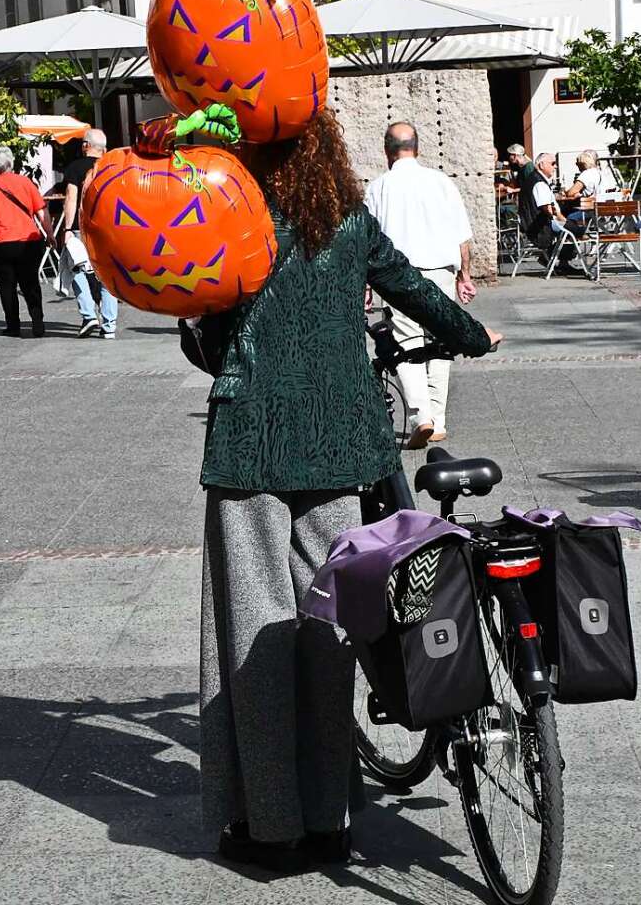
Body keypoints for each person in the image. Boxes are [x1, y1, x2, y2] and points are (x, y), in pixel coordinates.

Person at [199, 108, 502, 873]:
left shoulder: (236, 221)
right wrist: (472, 335)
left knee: (253, 629)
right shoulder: (349, 220)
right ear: (328, 154)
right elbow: (413, 291)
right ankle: (330, 819)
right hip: (340, 442)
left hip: (250, 446)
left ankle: (270, 829)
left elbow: (204, 336)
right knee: (328, 628)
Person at [364, 121, 477, 448]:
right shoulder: (441, 182)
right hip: (441, 270)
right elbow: (462, 236)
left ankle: (420, 416)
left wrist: (366, 283)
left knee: (406, 342)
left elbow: (368, 242)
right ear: (418, 147)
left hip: (398, 274)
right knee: (441, 341)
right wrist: (464, 276)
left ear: (387, 151)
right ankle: (438, 420)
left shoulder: (378, 187)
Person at [0, 147, 48, 337]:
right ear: (11, 163)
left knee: (7, 286)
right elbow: (41, 211)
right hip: (28, 241)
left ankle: (13, 326)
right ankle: (37, 322)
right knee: (30, 282)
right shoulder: (26, 182)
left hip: (2, 243)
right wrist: (51, 234)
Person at [61, 129, 119, 339]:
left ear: (86, 145)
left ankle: (88, 314)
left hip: (82, 226)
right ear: (103, 148)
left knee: (76, 267)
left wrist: (67, 229)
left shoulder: (75, 168)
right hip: (108, 228)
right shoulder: (112, 168)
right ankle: (109, 324)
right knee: (106, 273)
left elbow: (71, 197)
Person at [518, 152, 584, 275]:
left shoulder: (534, 179)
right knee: (577, 229)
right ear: (542, 165)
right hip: (539, 226)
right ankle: (556, 259)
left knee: (572, 225)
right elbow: (547, 208)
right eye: (553, 163)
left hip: (534, 223)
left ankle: (557, 260)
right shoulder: (539, 182)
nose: (555, 167)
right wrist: (561, 219)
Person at [562, 149, 603, 224]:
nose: (577, 166)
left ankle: (574, 234)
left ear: (583, 164)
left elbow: (570, 193)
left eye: (578, 164)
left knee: (564, 213)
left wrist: (573, 193)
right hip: (601, 209)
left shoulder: (586, 174)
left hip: (589, 210)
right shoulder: (598, 172)